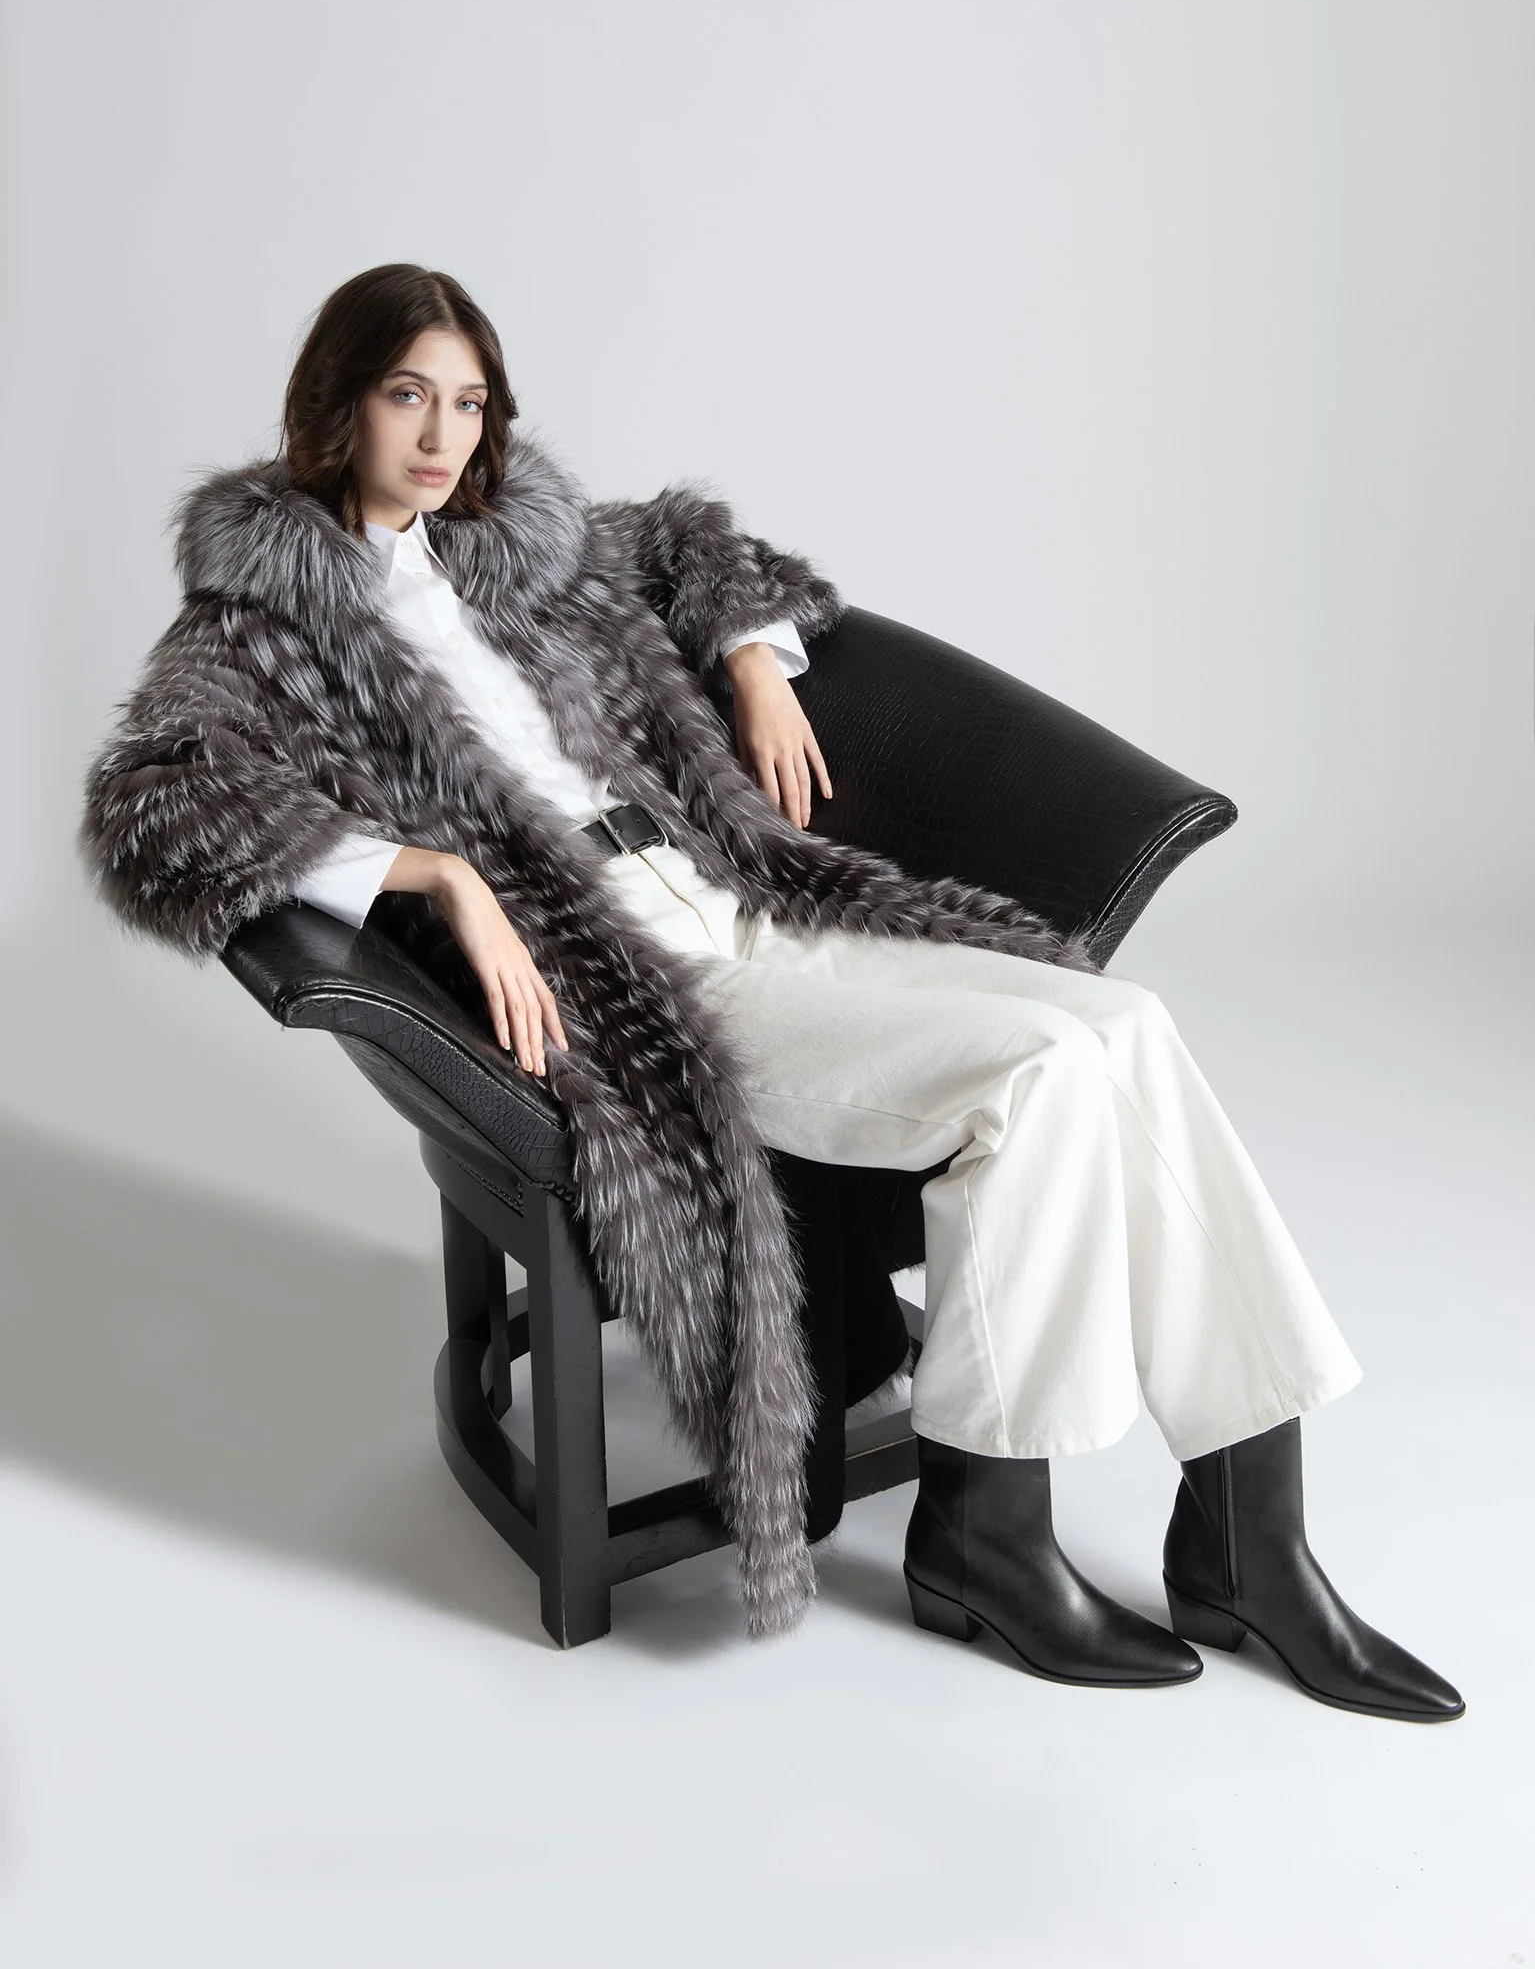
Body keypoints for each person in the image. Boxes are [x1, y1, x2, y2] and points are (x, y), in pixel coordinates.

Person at [80, 263, 1462, 1719]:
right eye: (406, 394)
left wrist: (751, 662)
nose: (440, 435)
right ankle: (990, 1539)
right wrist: (437, 876)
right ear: (337, 402)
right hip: (633, 980)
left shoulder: (515, 545)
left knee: (1128, 1026)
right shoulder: (256, 627)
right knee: (1040, 1075)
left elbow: (691, 541)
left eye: (468, 402)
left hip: (742, 896)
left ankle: (1250, 1539)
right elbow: (154, 803)